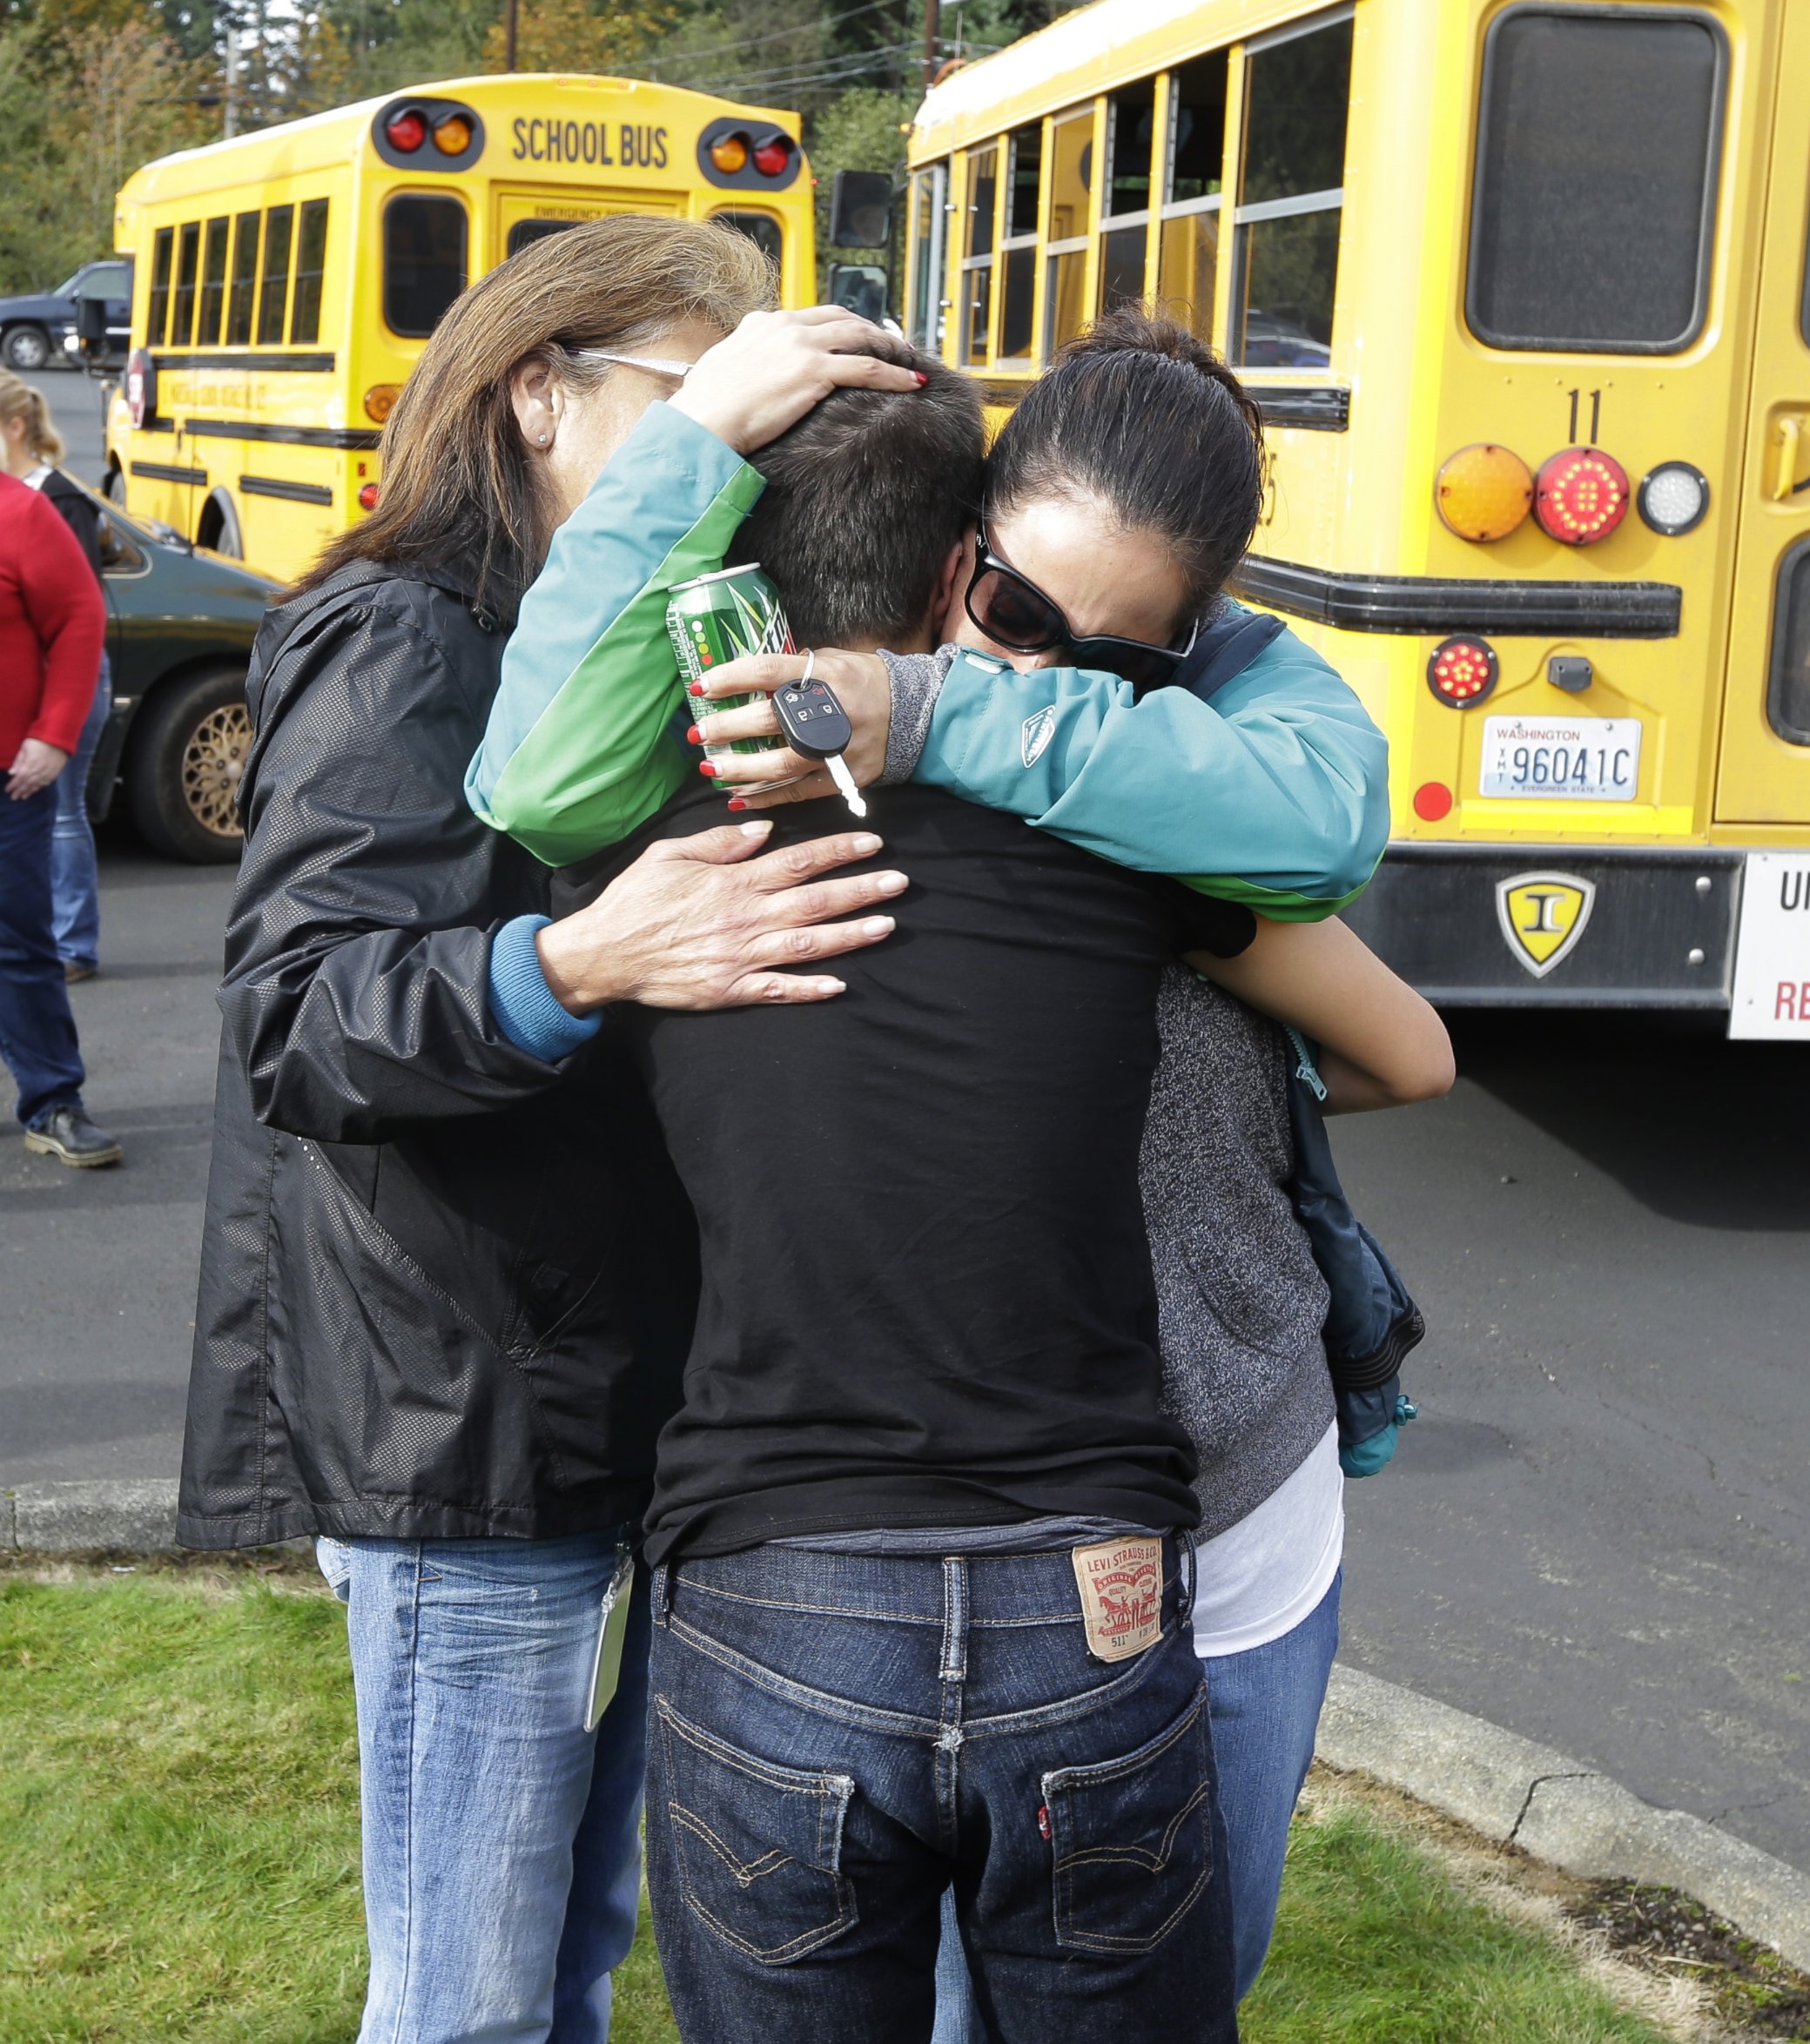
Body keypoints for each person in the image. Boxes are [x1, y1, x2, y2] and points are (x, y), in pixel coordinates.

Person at [174, 218, 922, 2044]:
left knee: (573, 1948)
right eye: (704, 402)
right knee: (472, 1997)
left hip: (624, 1385)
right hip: (467, 1416)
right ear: (534, 392)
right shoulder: (407, 633)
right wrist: (576, 958)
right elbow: (303, 1015)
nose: (741, 450)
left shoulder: (620, 618)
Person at [694, 311, 1452, 2014]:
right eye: (1014, 617)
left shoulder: (1160, 801)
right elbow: (1408, 1054)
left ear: (1184, 651)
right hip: (1018, 1538)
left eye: (1109, 662)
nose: (1038, 677)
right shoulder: (900, 779)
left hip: (1182, 1506)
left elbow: (1392, 1008)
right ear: (952, 549)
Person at [535, 344, 1243, 2040]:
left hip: (778, 1571)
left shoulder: (644, 847)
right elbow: (1399, 1036)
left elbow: (533, 741)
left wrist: (679, 443)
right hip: (1085, 1582)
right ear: (954, 568)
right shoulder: (1137, 826)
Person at [0, 467, 120, 1167]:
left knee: (20, 947)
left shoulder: (20, 511)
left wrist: (54, 733)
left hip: (9, 781)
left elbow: (80, 615)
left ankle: (52, 1101)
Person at [0, 376, 109, 982]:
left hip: (69, 684)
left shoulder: (56, 497)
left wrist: (51, 725)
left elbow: (77, 606)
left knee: (64, 813)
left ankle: (74, 944)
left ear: (13, 427)